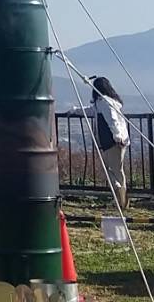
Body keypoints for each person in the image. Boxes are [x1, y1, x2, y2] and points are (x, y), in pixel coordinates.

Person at [67, 76, 130, 211]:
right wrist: (76, 110)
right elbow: (91, 111)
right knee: (118, 170)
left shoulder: (104, 103)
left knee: (107, 170)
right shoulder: (110, 102)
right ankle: (122, 200)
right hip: (120, 140)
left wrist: (116, 136)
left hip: (112, 141)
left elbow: (112, 120)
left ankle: (119, 193)